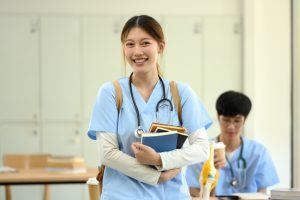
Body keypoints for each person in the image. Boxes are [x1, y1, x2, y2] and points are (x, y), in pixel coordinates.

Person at [87, 15, 213, 200]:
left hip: (171, 195)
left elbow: (202, 148)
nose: (137, 51)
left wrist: (159, 160)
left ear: (160, 47)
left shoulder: (181, 93)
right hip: (122, 195)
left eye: (145, 43)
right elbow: (107, 153)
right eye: (130, 44)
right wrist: (156, 176)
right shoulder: (111, 93)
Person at [185, 91, 279, 197]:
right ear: (218, 117)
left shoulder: (258, 152)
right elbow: (193, 191)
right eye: (226, 120)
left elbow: (262, 192)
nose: (231, 126)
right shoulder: (203, 149)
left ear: (245, 120)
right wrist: (212, 176)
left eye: (237, 121)